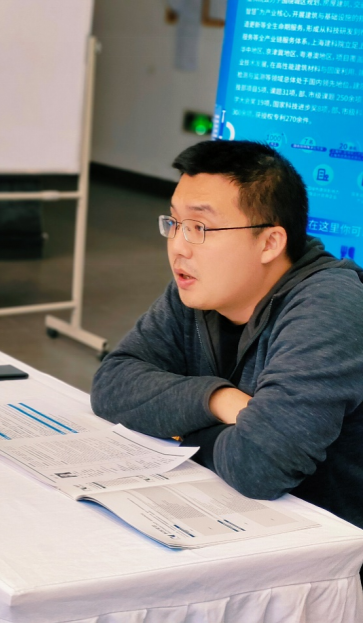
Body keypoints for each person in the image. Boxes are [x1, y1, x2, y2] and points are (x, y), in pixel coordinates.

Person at [91, 140, 363, 532]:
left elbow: (260, 465)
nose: (178, 247)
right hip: (238, 520)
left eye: (199, 227)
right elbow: (111, 384)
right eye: (174, 223)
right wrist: (218, 400)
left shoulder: (330, 305)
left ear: (270, 243)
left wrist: (177, 428)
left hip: (331, 547)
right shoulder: (196, 290)